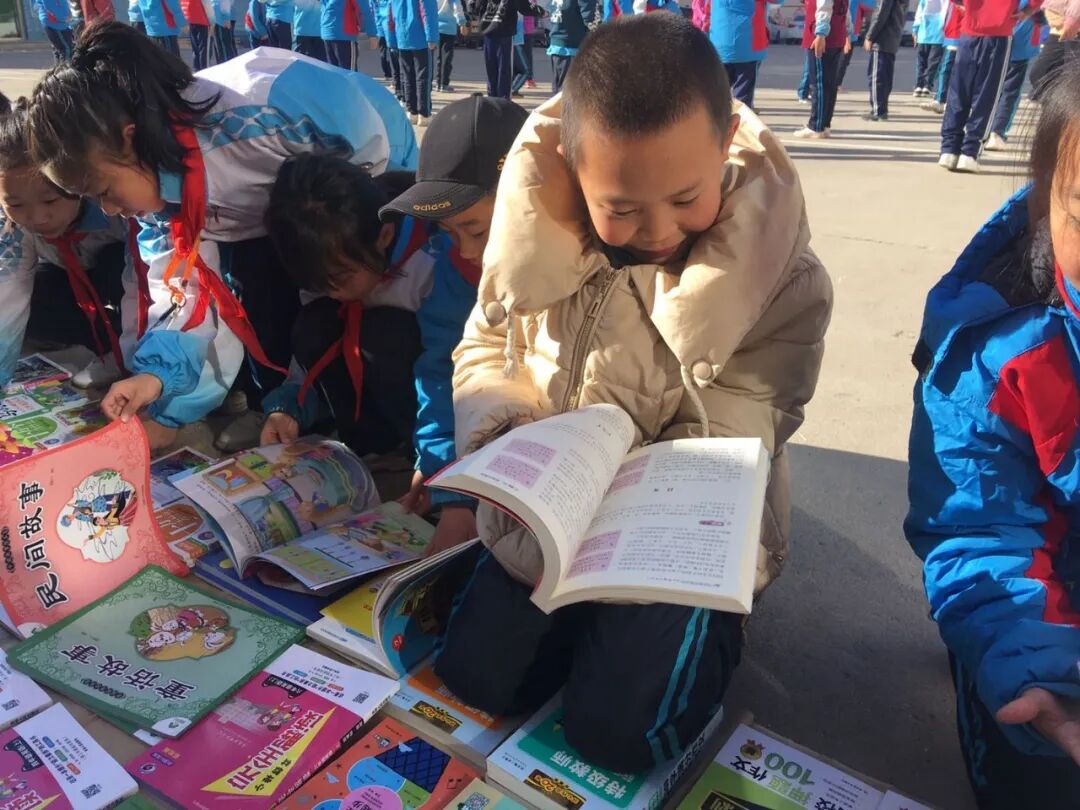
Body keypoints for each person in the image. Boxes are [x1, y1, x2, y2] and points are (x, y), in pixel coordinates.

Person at [436, 15, 831, 772]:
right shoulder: (532, 229)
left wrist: (641, 493)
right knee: (479, 680)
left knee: (618, 736)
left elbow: (756, 412)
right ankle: (584, 627)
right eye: (619, 207)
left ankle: (712, 633)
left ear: (725, 144)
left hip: (677, 533)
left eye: (685, 197)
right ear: (572, 167)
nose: (656, 229)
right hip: (554, 509)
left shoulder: (780, 273)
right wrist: (503, 428)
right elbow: (486, 345)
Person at [26, 23, 412, 451]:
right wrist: (157, 380)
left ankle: (370, 425)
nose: (110, 211)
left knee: (361, 311)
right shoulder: (157, 207)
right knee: (257, 292)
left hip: (368, 188)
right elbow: (182, 295)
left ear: (128, 139)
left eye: (103, 191)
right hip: (285, 217)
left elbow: (363, 183)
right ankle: (285, 405)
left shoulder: (269, 106)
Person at [906, 68, 1080, 809]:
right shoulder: (1000, 350)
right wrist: (1041, 670)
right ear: (1048, 203)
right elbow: (979, 526)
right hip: (1042, 618)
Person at [262, 95, 528, 557]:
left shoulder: (435, 262)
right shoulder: (456, 266)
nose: (466, 250)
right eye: (450, 233)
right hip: (466, 428)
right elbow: (444, 373)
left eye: (476, 231)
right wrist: (444, 474)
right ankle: (387, 451)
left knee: (388, 336)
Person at [0, 102, 132, 391]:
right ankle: (103, 346)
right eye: (15, 205)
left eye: (50, 200)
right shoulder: (12, 228)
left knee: (116, 262)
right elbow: (8, 298)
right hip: (72, 282)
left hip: (123, 280)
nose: (37, 218)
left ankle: (129, 350)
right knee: (36, 294)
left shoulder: (115, 207)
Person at [938, 0, 1038, 174]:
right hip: (999, 31)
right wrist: (1028, 10)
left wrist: (965, 6)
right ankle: (969, 152)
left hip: (970, 30)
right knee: (987, 95)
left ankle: (949, 148)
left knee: (959, 91)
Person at [985, 13, 1044, 149]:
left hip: (993, 39)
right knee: (1010, 92)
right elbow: (1043, 15)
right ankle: (997, 131)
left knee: (990, 88)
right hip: (1019, 44)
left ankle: (984, 128)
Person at [794, 0, 851, 138]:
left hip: (824, 36)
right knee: (829, 84)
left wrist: (820, 33)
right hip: (837, 33)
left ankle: (816, 126)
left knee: (819, 84)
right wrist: (847, 31)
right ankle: (824, 124)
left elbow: (824, 6)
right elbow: (845, 10)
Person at [470, 0, 544, 99]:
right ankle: (502, 100)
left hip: (488, 31)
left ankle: (492, 98)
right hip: (504, 31)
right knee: (504, 70)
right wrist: (542, 12)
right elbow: (525, 7)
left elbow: (474, 7)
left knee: (492, 70)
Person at [392, 0, 438, 124]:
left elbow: (391, 13)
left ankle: (412, 111)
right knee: (423, 77)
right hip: (420, 36)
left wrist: (392, 38)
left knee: (407, 76)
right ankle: (424, 113)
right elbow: (428, 11)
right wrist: (432, 37)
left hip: (402, 35)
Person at [862, 0, 904, 121]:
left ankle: (878, 111)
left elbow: (880, 14)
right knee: (885, 77)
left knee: (877, 77)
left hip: (882, 39)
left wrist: (869, 36)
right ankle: (881, 109)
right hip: (892, 38)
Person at [1028, 0, 1079, 97]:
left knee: (1071, 79)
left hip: (1071, 29)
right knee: (1041, 75)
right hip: (1058, 29)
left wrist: (1073, 19)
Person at [546, 0, 595, 95]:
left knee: (559, 90)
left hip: (557, 42)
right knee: (568, 91)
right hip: (571, 45)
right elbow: (589, 17)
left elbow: (549, 9)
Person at [922, 0, 963, 112]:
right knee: (945, 69)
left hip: (958, 35)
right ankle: (940, 98)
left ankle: (942, 100)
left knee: (948, 69)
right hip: (950, 35)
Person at [913, 0, 947, 96]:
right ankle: (926, 85)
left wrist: (915, 30)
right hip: (937, 35)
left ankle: (920, 85)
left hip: (925, 34)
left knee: (922, 62)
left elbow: (918, 15)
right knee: (932, 63)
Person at [837, 0, 875, 87]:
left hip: (849, 32)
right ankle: (836, 84)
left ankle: (836, 84)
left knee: (842, 60)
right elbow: (872, 6)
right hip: (848, 33)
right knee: (843, 60)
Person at [436, 0, 466, 91]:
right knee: (447, 57)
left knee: (438, 58)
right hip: (449, 29)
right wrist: (462, 23)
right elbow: (457, 8)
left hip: (436, 28)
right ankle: (444, 83)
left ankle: (438, 82)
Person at [321, 0, 361, 67]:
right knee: (348, 70)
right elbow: (362, 9)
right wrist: (370, 32)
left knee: (333, 69)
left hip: (327, 31)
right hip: (345, 34)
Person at [181, 0, 212, 69]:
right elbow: (207, 6)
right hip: (202, 20)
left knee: (195, 48)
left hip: (190, 20)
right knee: (204, 49)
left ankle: (197, 69)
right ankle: (204, 70)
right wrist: (212, 21)